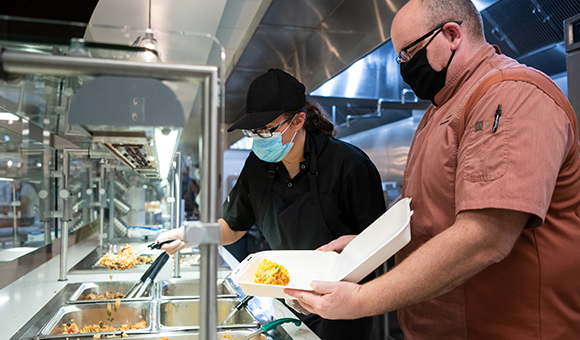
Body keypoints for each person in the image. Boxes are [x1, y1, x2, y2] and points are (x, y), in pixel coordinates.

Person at [283, 0, 580, 339]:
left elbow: (485, 236)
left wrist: (362, 300)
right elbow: (428, 218)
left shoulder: (511, 95)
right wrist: (361, 248)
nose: (404, 67)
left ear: (452, 34)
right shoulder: (439, 110)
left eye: (409, 54)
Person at [156, 68, 387, 340]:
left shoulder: (348, 164)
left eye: (268, 130)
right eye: (255, 131)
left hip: (340, 306)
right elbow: (232, 226)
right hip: (285, 298)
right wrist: (189, 235)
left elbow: (379, 245)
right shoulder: (257, 166)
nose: (260, 138)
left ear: (299, 120)